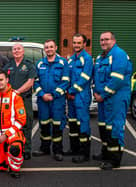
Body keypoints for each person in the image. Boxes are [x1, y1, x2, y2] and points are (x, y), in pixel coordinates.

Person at [93, 31, 132, 170]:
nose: (103, 42)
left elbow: (116, 80)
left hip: (116, 98)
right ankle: (106, 153)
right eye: (101, 40)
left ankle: (114, 160)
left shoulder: (119, 55)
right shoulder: (101, 57)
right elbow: (96, 77)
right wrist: (96, 92)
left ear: (113, 41)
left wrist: (102, 95)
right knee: (104, 127)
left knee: (115, 128)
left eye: (106, 39)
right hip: (104, 99)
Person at [0, 69, 26, 178]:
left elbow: (21, 119)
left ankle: (15, 168)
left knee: (16, 148)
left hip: (12, 132)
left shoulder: (15, 96)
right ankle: (4, 160)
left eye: (1, 79)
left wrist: (6, 134)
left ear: (7, 80)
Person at [32, 40, 69, 161]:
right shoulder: (39, 63)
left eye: (51, 47)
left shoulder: (63, 63)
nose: (49, 49)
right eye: (46, 47)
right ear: (44, 49)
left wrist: (53, 94)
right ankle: (44, 148)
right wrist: (42, 94)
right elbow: (35, 82)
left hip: (57, 100)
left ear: (56, 48)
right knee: (44, 124)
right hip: (43, 100)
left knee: (57, 125)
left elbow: (65, 81)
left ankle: (58, 150)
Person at [3, 43, 36, 160]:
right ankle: (13, 147)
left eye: (19, 49)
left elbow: (30, 82)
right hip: (10, 100)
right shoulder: (8, 66)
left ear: (23, 51)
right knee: (11, 124)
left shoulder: (28, 65)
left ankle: (26, 150)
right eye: (14, 49)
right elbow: (3, 82)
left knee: (26, 124)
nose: (16, 51)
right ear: (12, 52)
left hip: (24, 99)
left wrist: (17, 91)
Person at [65, 34, 93, 163]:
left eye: (79, 43)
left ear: (84, 44)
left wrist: (71, 90)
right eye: (74, 42)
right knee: (72, 123)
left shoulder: (87, 59)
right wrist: (67, 91)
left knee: (83, 123)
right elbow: (67, 77)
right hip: (71, 97)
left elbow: (85, 78)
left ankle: (84, 153)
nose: (76, 45)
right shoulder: (71, 59)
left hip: (81, 96)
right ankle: (74, 149)